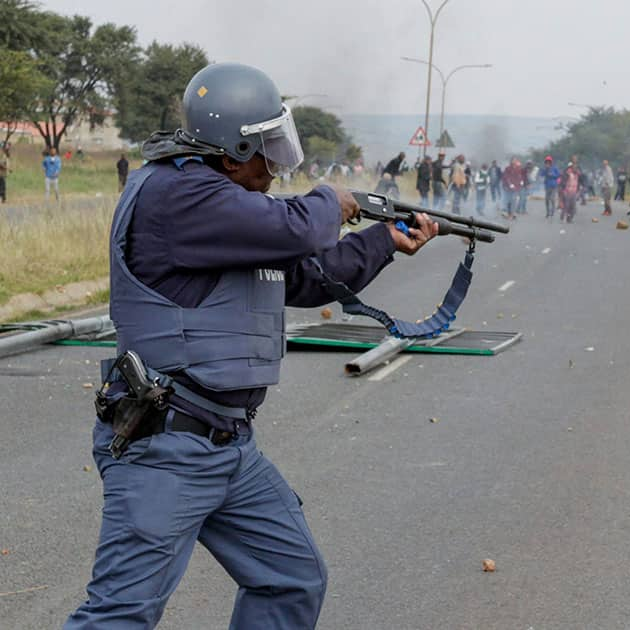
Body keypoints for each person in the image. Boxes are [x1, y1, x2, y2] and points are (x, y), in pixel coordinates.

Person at [64, 62, 438, 630]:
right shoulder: (178, 195)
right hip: (167, 445)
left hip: (229, 445)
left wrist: (383, 239)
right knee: (120, 614)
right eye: (267, 150)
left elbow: (309, 276)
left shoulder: (226, 213)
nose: (272, 169)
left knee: (291, 580)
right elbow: (302, 229)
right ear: (234, 146)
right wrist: (331, 201)